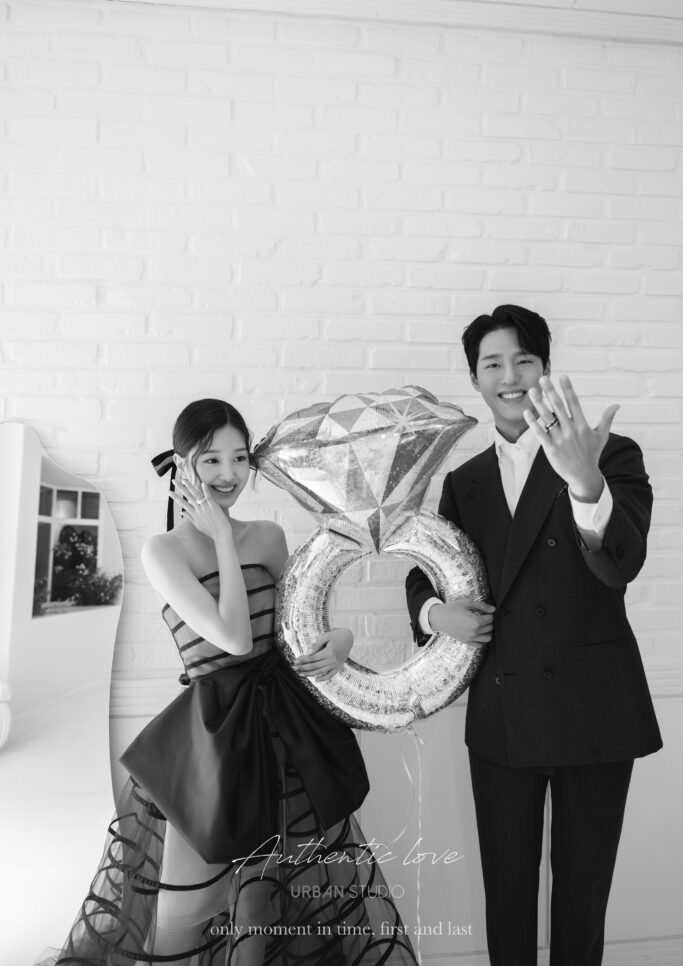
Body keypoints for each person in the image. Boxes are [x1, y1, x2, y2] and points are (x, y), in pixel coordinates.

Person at [38, 398, 417, 966]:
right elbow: (235, 640)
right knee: (182, 918)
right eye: (211, 459)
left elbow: (297, 629)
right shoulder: (162, 551)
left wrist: (341, 639)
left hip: (285, 735)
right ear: (182, 466)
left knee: (268, 906)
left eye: (240, 458)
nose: (228, 473)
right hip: (213, 742)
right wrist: (219, 537)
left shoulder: (266, 536)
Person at [405, 306, 662, 966]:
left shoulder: (608, 453)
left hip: (595, 709)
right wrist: (436, 615)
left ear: (545, 368)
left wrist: (585, 481)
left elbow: (623, 561)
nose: (509, 375)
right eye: (492, 363)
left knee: (582, 901)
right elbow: (425, 571)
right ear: (474, 378)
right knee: (507, 897)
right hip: (503, 713)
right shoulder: (464, 482)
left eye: (524, 359)